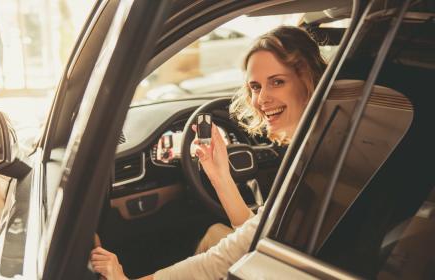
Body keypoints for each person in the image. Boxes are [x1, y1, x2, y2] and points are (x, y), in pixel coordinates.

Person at [90, 25, 327, 280]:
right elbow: (257, 233)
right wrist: (219, 174)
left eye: (277, 82)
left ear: (308, 80)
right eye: (255, 87)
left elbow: (220, 261)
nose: (261, 100)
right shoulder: (323, 143)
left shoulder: (317, 164)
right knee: (214, 232)